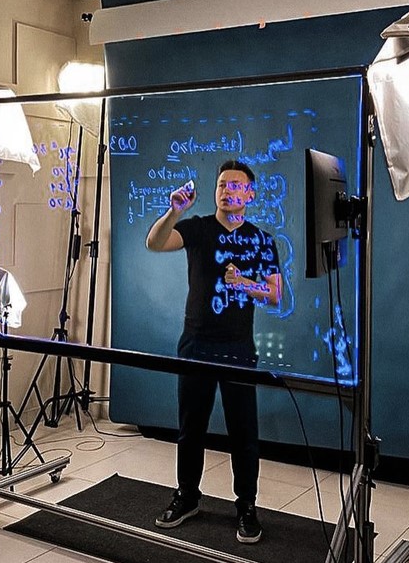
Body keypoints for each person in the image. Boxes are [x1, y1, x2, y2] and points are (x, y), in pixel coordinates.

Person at [145, 159, 282, 544]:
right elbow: (154, 243)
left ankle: (247, 506)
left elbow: (275, 294)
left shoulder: (261, 240)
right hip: (195, 342)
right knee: (191, 427)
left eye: (236, 185)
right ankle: (187, 495)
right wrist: (174, 211)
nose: (227, 191)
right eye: (222, 184)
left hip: (237, 346)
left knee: (244, 432)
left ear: (250, 194)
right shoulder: (197, 227)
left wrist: (243, 284)